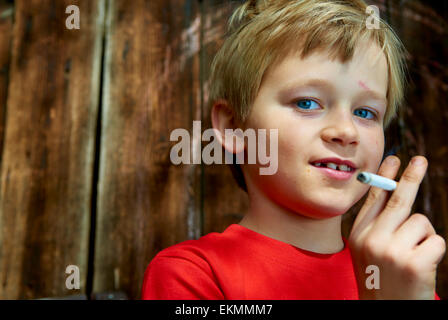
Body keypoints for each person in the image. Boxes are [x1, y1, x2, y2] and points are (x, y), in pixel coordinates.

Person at [141, 0, 445, 299]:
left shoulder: (400, 279)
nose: (346, 132)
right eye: (307, 103)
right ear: (234, 127)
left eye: (365, 113)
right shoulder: (192, 275)